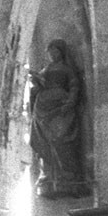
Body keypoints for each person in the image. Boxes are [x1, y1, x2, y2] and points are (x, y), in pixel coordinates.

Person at [29, 38, 87, 194]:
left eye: (55, 51)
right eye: (50, 52)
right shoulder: (45, 69)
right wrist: (36, 82)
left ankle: (68, 178)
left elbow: (74, 86)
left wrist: (70, 102)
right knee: (44, 142)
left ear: (61, 52)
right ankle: (48, 178)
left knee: (61, 139)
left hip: (60, 108)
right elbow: (38, 87)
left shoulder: (67, 69)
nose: (52, 54)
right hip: (42, 108)